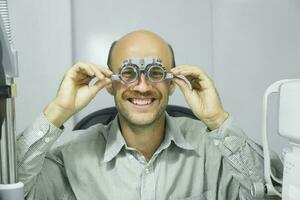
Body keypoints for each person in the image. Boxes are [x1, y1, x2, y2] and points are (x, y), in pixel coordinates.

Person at [17, 30, 265, 200]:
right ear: (110, 83)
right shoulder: (71, 156)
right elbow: (14, 191)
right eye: (128, 73)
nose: (143, 86)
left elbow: (267, 192)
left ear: (172, 83)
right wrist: (57, 112)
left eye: (156, 73)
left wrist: (217, 120)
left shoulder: (213, 149)